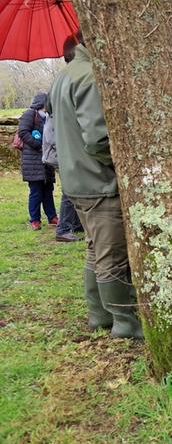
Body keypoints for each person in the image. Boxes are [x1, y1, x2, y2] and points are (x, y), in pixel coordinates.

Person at [49, 33, 143, 339]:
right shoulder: (89, 76)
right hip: (98, 180)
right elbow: (98, 138)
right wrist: (124, 166)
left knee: (95, 249)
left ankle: (99, 315)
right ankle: (125, 322)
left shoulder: (66, 74)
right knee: (111, 254)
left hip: (77, 179)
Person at [47, 35, 84, 242]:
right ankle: (63, 229)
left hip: (64, 146)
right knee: (70, 191)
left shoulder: (61, 81)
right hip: (67, 147)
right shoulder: (68, 80)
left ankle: (75, 224)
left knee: (73, 190)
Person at [19, 92, 57, 231]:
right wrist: (39, 145)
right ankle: (35, 220)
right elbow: (23, 132)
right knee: (36, 191)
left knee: (48, 190)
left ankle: (52, 216)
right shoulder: (30, 114)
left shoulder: (48, 117)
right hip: (33, 161)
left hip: (46, 160)